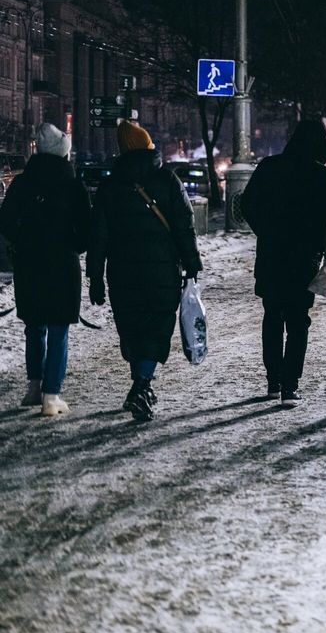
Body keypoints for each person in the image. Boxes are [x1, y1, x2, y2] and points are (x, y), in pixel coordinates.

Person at [86, 121, 202, 422]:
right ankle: (142, 384)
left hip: (122, 273)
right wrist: (192, 263)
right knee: (156, 327)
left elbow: (98, 237)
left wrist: (95, 277)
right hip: (162, 272)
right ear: (149, 147)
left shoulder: (110, 187)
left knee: (133, 328)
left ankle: (140, 382)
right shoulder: (167, 180)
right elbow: (184, 226)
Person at [240, 119, 326, 407]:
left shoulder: (269, 166)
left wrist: (266, 231)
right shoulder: (320, 174)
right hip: (303, 258)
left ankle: (273, 381)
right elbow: (325, 216)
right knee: (298, 321)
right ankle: (290, 386)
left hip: (272, 254)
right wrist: (319, 246)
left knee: (272, 317)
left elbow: (247, 204)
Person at [0, 124, 90, 416]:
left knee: (35, 325)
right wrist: (73, 245)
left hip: (29, 263)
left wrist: (22, 241)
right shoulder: (73, 185)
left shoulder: (22, 183)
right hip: (62, 264)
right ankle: (51, 396)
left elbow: (5, 222)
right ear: (63, 153)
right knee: (59, 328)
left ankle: (34, 387)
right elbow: (85, 229)